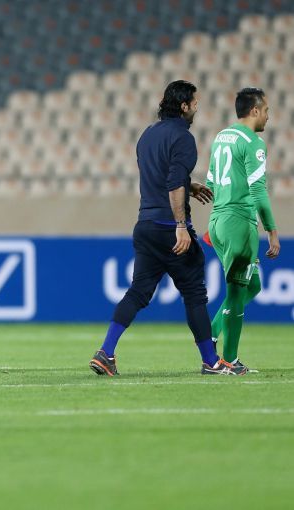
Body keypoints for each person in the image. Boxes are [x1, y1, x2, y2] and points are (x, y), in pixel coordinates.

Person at [88, 80, 224, 376]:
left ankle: (106, 352)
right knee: (195, 293)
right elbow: (172, 181)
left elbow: (159, 176)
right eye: (195, 103)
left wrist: (189, 185)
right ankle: (211, 361)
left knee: (138, 292)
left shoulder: (147, 135)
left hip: (146, 225)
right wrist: (180, 225)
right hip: (170, 227)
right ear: (184, 106)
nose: (197, 108)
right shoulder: (184, 138)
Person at [205, 87, 280, 375]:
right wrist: (272, 230)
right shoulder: (253, 143)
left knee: (253, 285)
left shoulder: (221, 137)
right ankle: (229, 360)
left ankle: (211, 335)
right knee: (237, 292)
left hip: (219, 220)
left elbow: (210, 184)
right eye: (267, 111)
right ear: (255, 110)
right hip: (238, 223)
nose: (268, 116)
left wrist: (217, 222)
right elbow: (258, 191)